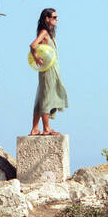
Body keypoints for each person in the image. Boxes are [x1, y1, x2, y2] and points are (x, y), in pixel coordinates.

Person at [29, 7, 68, 136]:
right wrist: (35, 57)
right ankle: (46, 129)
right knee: (47, 97)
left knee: (41, 97)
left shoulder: (49, 33)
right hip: (48, 69)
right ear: (47, 18)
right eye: (55, 17)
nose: (57, 19)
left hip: (50, 68)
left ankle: (35, 128)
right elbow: (33, 45)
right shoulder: (44, 32)